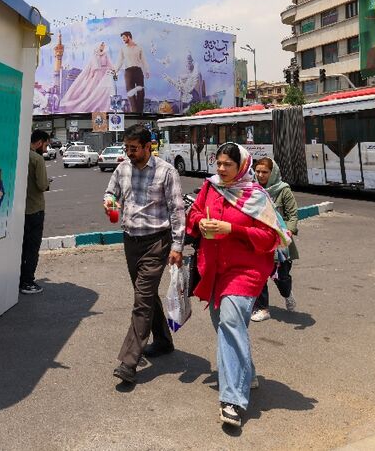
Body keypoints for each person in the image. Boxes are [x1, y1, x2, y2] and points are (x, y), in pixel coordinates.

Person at [186, 143, 291, 428]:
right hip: (215, 270)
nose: (220, 169)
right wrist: (201, 222)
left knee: (231, 323)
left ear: (241, 166)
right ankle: (248, 372)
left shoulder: (256, 196)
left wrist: (232, 229)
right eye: (218, 164)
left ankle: (232, 400)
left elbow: (271, 238)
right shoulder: (210, 187)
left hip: (246, 271)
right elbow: (193, 214)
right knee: (222, 324)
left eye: (227, 165)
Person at [104, 124, 185, 384]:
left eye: (134, 148)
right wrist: (109, 202)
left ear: (148, 146)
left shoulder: (166, 171)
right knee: (146, 294)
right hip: (131, 241)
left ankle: (129, 361)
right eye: (127, 147)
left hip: (156, 243)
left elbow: (177, 210)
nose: (129, 152)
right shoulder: (122, 168)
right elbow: (111, 193)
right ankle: (162, 340)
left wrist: (177, 246)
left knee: (142, 299)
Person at [251, 157, 299, 321]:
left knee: (281, 277)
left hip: (280, 243)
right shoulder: (253, 189)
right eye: (258, 171)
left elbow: (292, 215)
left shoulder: (283, 190)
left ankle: (287, 293)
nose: (260, 175)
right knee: (260, 274)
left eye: (265, 172)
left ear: (273, 173)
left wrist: (288, 233)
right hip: (260, 240)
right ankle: (263, 309)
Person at [21, 129, 50, 295]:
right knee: (32, 249)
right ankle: (28, 282)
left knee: (22, 248)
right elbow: (41, 185)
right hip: (35, 209)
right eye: (45, 145)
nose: (46, 149)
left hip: (21, 210)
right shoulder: (37, 159)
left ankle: (19, 279)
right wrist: (47, 183)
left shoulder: (22, 154)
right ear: (39, 142)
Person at [59, 42, 116, 113]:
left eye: (103, 45)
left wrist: (113, 71)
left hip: (104, 77)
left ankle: (103, 109)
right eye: (101, 45)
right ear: (98, 46)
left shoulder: (105, 55)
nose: (103, 46)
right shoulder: (94, 56)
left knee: (103, 93)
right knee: (91, 94)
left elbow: (110, 64)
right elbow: (93, 68)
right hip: (96, 77)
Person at [114, 32, 150, 114]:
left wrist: (147, 71)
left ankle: (140, 112)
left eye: (124, 37)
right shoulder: (123, 49)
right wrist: (115, 70)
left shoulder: (139, 47)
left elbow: (143, 60)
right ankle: (134, 112)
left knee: (141, 92)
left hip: (138, 70)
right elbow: (119, 61)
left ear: (128, 37)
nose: (123, 40)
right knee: (130, 92)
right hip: (128, 71)